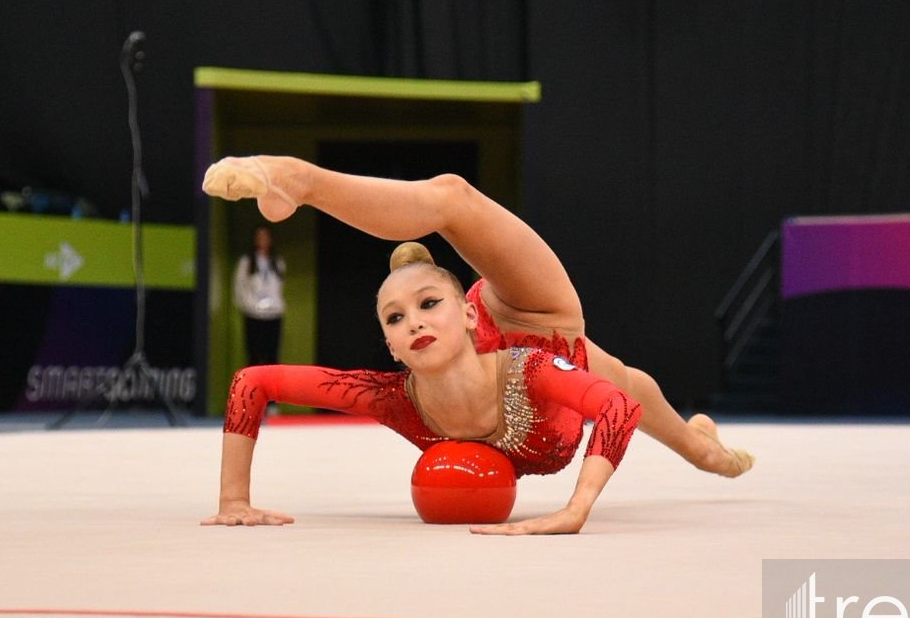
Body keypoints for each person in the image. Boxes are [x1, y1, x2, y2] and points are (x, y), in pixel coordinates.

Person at [200, 154, 755, 535]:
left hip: (532, 314)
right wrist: (233, 502)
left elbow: (620, 408)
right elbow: (254, 381)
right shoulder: (394, 396)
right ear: (389, 346)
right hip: (533, 352)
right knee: (623, 377)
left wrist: (576, 509)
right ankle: (704, 443)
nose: (412, 323)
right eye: (395, 318)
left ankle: (300, 181)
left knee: (453, 197)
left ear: (463, 311)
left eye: (425, 306)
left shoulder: (530, 369)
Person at [233, 225, 286, 366]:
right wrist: (248, 305)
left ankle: (272, 388)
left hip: (274, 315)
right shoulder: (246, 262)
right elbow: (239, 287)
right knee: (254, 357)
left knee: (272, 358)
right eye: (260, 237)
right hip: (253, 314)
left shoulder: (278, 262)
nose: (263, 240)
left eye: (266, 237)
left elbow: (279, 288)